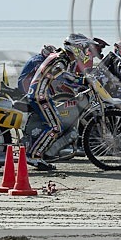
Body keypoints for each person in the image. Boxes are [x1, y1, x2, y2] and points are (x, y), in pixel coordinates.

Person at [25, 33, 94, 170]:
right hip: (40, 95)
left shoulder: (60, 56)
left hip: (41, 94)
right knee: (55, 127)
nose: (86, 51)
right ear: (76, 47)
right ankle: (34, 156)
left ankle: (42, 151)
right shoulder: (61, 59)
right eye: (84, 47)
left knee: (54, 123)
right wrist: (82, 80)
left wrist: (78, 81)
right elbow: (61, 75)